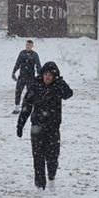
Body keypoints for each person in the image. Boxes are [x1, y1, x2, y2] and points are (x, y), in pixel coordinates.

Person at [16, 61, 73, 190]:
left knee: (52, 157)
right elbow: (26, 106)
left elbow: (68, 94)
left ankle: (51, 177)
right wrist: (20, 124)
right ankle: (39, 185)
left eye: (50, 75)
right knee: (38, 157)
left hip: (53, 128)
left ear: (54, 76)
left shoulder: (58, 87)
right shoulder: (35, 86)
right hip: (37, 127)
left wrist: (60, 82)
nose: (47, 77)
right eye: (45, 74)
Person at [11, 39, 42, 114]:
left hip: (30, 77)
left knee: (30, 93)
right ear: (26, 45)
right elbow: (17, 63)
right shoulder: (22, 53)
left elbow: (38, 65)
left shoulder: (34, 54)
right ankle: (17, 108)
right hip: (22, 76)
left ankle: (30, 108)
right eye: (27, 45)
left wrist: (39, 75)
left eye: (30, 45)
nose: (28, 46)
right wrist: (14, 72)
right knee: (18, 92)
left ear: (32, 46)